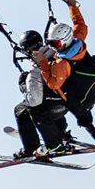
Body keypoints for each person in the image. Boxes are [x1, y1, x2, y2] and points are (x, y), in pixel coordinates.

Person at [29, 0, 95, 146]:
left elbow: (53, 84)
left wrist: (42, 62)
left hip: (75, 98)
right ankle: (88, 134)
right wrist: (72, 7)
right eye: (52, 43)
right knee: (82, 116)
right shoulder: (78, 40)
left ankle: (55, 139)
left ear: (64, 40)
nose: (54, 47)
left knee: (38, 107)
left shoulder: (62, 63)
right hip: (87, 94)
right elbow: (79, 23)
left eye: (57, 43)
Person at [13, 30, 72, 159]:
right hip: (67, 104)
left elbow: (34, 101)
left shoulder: (35, 73)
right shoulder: (58, 54)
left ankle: (31, 148)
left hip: (51, 110)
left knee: (21, 110)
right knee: (50, 95)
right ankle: (61, 133)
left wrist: (24, 87)